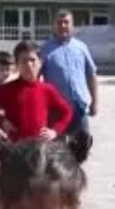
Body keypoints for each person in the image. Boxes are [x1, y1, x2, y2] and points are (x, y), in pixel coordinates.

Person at [0, 41, 73, 144]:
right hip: (16, 148)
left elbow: (67, 111)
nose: (29, 65)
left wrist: (54, 131)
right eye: (24, 61)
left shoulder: (48, 89)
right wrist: (1, 121)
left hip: (40, 148)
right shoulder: (7, 89)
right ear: (17, 65)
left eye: (32, 60)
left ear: (40, 62)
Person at [41, 11, 99, 144]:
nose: (63, 25)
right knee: (57, 149)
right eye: (59, 22)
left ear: (72, 25)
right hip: (56, 110)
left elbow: (91, 75)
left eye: (66, 22)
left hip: (79, 107)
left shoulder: (81, 47)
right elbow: (36, 78)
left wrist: (95, 102)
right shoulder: (45, 49)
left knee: (83, 145)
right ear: (53, 26)